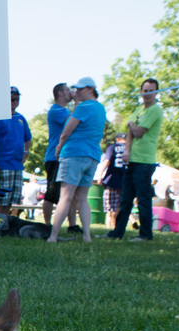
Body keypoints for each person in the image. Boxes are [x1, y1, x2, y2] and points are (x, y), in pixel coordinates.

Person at [48, 77, 106, 243]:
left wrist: (58, 148)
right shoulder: (100, 108)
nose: (77, 92)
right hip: (93, 155)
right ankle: (87, 236)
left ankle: (53, 236)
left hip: (74, 153)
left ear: (91, 89)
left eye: (80, 89)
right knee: (82, 198)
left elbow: (67, 131)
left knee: (65, 196)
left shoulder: (84, 107)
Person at [107, 78, 164, 241]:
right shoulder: (139, 110)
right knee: (125, 200)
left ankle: (146, 234)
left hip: (145, 162)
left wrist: (131, 125)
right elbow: (130, 132)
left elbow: (138, 131)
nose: (148, 94)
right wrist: (126, 151)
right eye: (145, 91)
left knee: (143, 199)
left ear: (156, 92)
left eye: (151, 90)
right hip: (132, 160)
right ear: (141, 92)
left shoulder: (155, 110)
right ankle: (117, 232)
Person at [0, 86, 32, 216]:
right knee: (1, 199)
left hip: (17, 166)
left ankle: (4, 224)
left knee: (11, 199)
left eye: (17, 99)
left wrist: (26, 153)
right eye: (12, 99)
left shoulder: (21, 118)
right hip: (3, 165)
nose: (15, 102)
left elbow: (28, 138)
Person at [43, 83, 78, 232]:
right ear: (60, 94)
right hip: (54, 157)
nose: (71, 92)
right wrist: (78, 103)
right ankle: (46, 225)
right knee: (52, 193)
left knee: (70, 192)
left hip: (65, 156)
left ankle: (72, 225)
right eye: (68, 90)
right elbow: (73, 123)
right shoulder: (56, 110)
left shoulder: (63, 110)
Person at [96, 133, 127, 229]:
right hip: (126, 180)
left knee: (111, 206)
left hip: (112, 179)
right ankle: (115, 227)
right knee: (121, 206)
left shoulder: (112, 147)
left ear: (117, 139)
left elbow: (107, 161)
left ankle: (113, 227)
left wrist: (100, 175)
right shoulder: (131, 148)